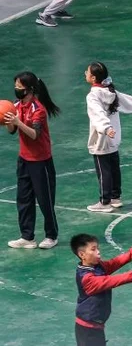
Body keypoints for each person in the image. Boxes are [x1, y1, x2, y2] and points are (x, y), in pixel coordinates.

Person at [84, 62, 132, 213]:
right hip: (114, 138)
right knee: (114, 168)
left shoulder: (93, 96)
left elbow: (97, 113)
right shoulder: (110, 91)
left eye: (87, 72)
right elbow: (128, 101)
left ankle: (105, 202)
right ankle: (116, 197)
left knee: (104, 171)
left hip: (102, 138)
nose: (85, 73)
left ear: (93, 77)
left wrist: (105, 128)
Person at [5, 71, 61, 250]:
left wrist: (18, 122)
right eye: (15, 87)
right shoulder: (15, 106)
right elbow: (11, 131)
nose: (16, 90)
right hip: (24, 159)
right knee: (23, 198)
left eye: (19, 87)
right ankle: (27, 237)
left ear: (29, 89)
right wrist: (8, 120)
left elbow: (35, 135)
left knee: (45, 200)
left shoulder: (39, 109)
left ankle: (51, 235)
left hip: (40, 161)